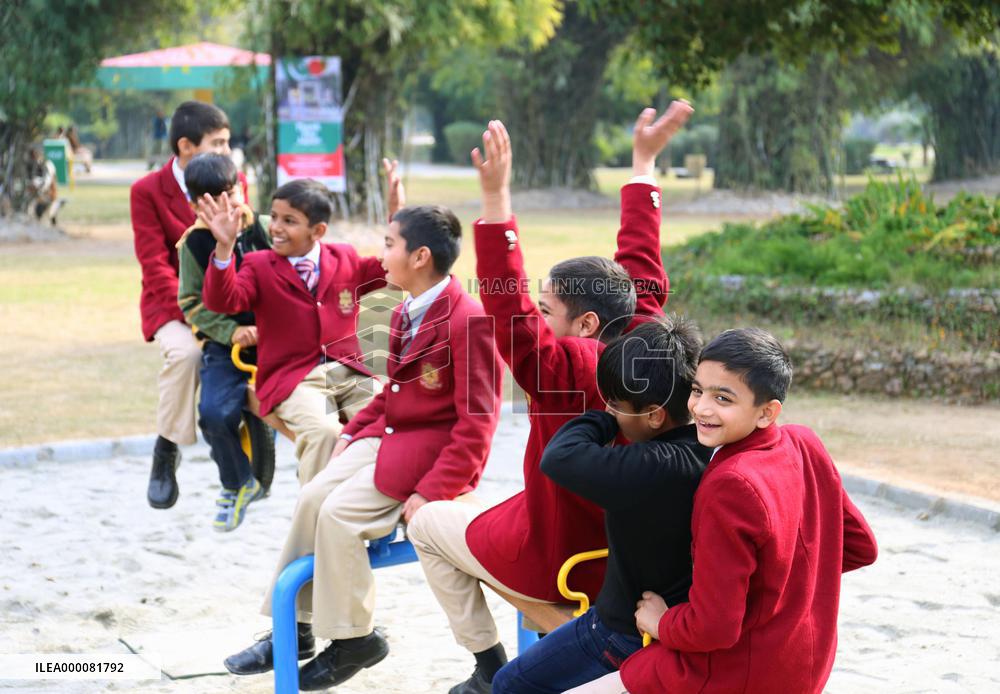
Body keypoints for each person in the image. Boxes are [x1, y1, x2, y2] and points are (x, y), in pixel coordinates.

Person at [405, 101, 694, 694]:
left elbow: (507, 308)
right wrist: (643, 164)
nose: (539, 319)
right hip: (629, 551)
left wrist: (495, 202)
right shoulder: (650, 337)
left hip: (563, 556)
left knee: (429, 523)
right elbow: (641, 259)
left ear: (587, 324)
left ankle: (487, 665)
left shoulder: (565, 367)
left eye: (549, 311)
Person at [219, 200, 504, 691]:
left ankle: (356, 638)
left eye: (389, 244)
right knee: (311, 497)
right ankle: (296, 630)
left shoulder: (468, 320)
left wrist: (434, 489)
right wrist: (351, 433)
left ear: (419, 257)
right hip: (385, 437)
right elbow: (391, 389)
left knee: (338, 516)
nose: (381, 253)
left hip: (427, 457)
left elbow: (477, 425)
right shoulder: (402, 307)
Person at [570, 328, 879, 694]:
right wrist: (780, 594)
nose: (701, 408)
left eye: (724, 399)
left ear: (767, 412)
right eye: (698, 390)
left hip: (733, 675)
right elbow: (860, 546)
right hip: (803, 668)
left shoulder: (731, 483)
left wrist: (663, 621)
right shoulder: (803, 443)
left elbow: (714, 628)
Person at [490, 317, 711, 693]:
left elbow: (559, 457)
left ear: (655, 414)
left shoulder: (654, 466)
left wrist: (602, 419)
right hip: (641, 618)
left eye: (615, 404)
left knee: (510, 683)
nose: (610, 409)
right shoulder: (702, 451)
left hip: (619, 634)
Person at [199, 177, 388, 485]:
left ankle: (380, 507)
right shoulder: (259, 265)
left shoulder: (344, 258)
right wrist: (224, 247)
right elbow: (224, 300)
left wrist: (398, 218)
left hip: (352, 373)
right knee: (324, 432)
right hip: (294, 379)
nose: (275, 227)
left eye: (289, 221)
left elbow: (393, 271)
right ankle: (317, 515)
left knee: (389, 423)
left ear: (318, 231)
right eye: (273, 217)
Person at [130, 100, 244, 510]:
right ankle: (165, 451)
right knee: (187, 354)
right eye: (217, 143)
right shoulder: (146, 192)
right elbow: (154, 265)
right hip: (171, 304)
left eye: (227, 142)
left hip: (229, 297)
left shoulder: (234, 179)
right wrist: (198, 315)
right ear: (185, 146)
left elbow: (247, 244)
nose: (226, 152)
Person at [176, 153, 271, 531]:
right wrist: (229, 331)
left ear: (241, 187)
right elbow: (191, 303)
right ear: (194, 205)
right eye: (212, 202)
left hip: (280, 338)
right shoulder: (194, 245)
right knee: (214, 412)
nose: (226, 207)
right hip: (228, 344)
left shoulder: (265, 227)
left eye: (230, 194)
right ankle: (237, 481)